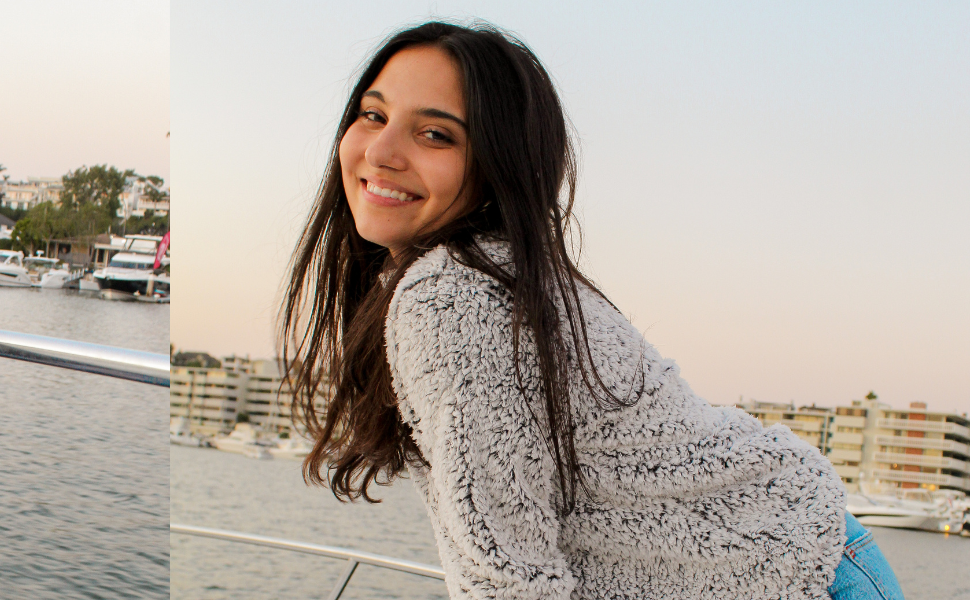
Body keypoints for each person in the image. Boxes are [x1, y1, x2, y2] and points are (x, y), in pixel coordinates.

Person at [279, 21, 905, 600]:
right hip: (804, 550)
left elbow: (509, 576)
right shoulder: (490, 274)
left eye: (435, 134)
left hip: (791, 574)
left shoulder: (450, 297)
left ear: (500, 167)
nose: (381, 151)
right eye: (373, 115)